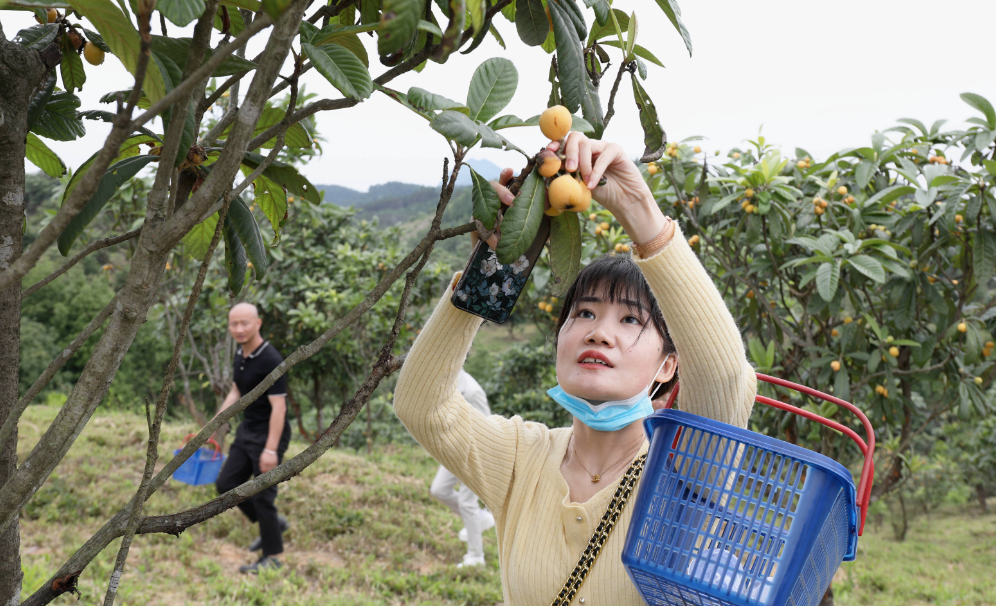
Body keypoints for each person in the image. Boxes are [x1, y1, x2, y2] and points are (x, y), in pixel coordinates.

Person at [393, 133, 757, 605]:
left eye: (630, 320)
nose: (598, 333)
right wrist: (491, 274)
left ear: (669, 364)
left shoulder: (686, 470)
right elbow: (422, 406)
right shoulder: (522, 458)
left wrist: (639, 210)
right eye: (583, 313)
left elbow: (725, 375)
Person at [214, 302, 291, 574]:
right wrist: (216, 423)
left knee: (261, 496)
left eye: (244, 323)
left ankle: (273, 557)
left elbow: (279, 408)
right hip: (247, 430)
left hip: (269, 434)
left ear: (258, 323)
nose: (239, 329)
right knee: (226, 483)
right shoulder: (241, 353)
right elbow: (236, 390)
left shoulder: (271, 359)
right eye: (233, 324)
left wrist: (270, 450)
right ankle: (273, 524)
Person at [429, 369, 497, 567]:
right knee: (439, 490)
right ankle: (481, 518)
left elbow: (487, 428)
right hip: (455, 450)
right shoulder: (444, 383)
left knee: (468, 503)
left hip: (474, 452)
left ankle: (476, 556)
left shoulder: (472, 391)